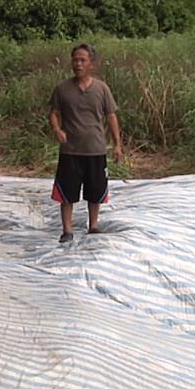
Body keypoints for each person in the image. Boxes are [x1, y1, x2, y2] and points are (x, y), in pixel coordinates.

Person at [48, 43, 123, 243]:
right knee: (67, 194)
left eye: (83, 60)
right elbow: (54, 114)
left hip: (96, 149)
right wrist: (57, 129)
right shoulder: (62, 89)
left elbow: (111, 117)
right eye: (75, 60)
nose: (78, 64)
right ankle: (67, 230)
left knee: (95, 191)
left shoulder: (101, 89)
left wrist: (117, 144)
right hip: (70, 150)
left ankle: (94, 225)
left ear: (92, 64)